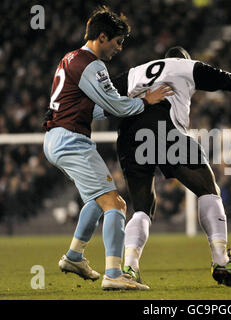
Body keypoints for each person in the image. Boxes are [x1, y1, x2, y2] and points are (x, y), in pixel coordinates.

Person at [110, 46, 231, 288]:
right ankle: (222, 261)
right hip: (164, 129)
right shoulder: (184, 66)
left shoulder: (135, 72)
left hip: (129, 136)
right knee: (208, 189)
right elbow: (221, 77)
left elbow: (104, 94)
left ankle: (130, 267)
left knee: (142, 207)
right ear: (184, 60)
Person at [42, 6, 173, 291]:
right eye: (117, 41)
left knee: (96, 200)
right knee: (116, 204)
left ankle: (75, 256)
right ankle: (114, 273)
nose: (120, 47)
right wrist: (145, 101)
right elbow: (115, 106)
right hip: (70, 140)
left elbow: (92, 109)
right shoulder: (91, 64)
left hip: (58, 138)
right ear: (102, 37)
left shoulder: (70, 58)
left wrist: (130, 98)